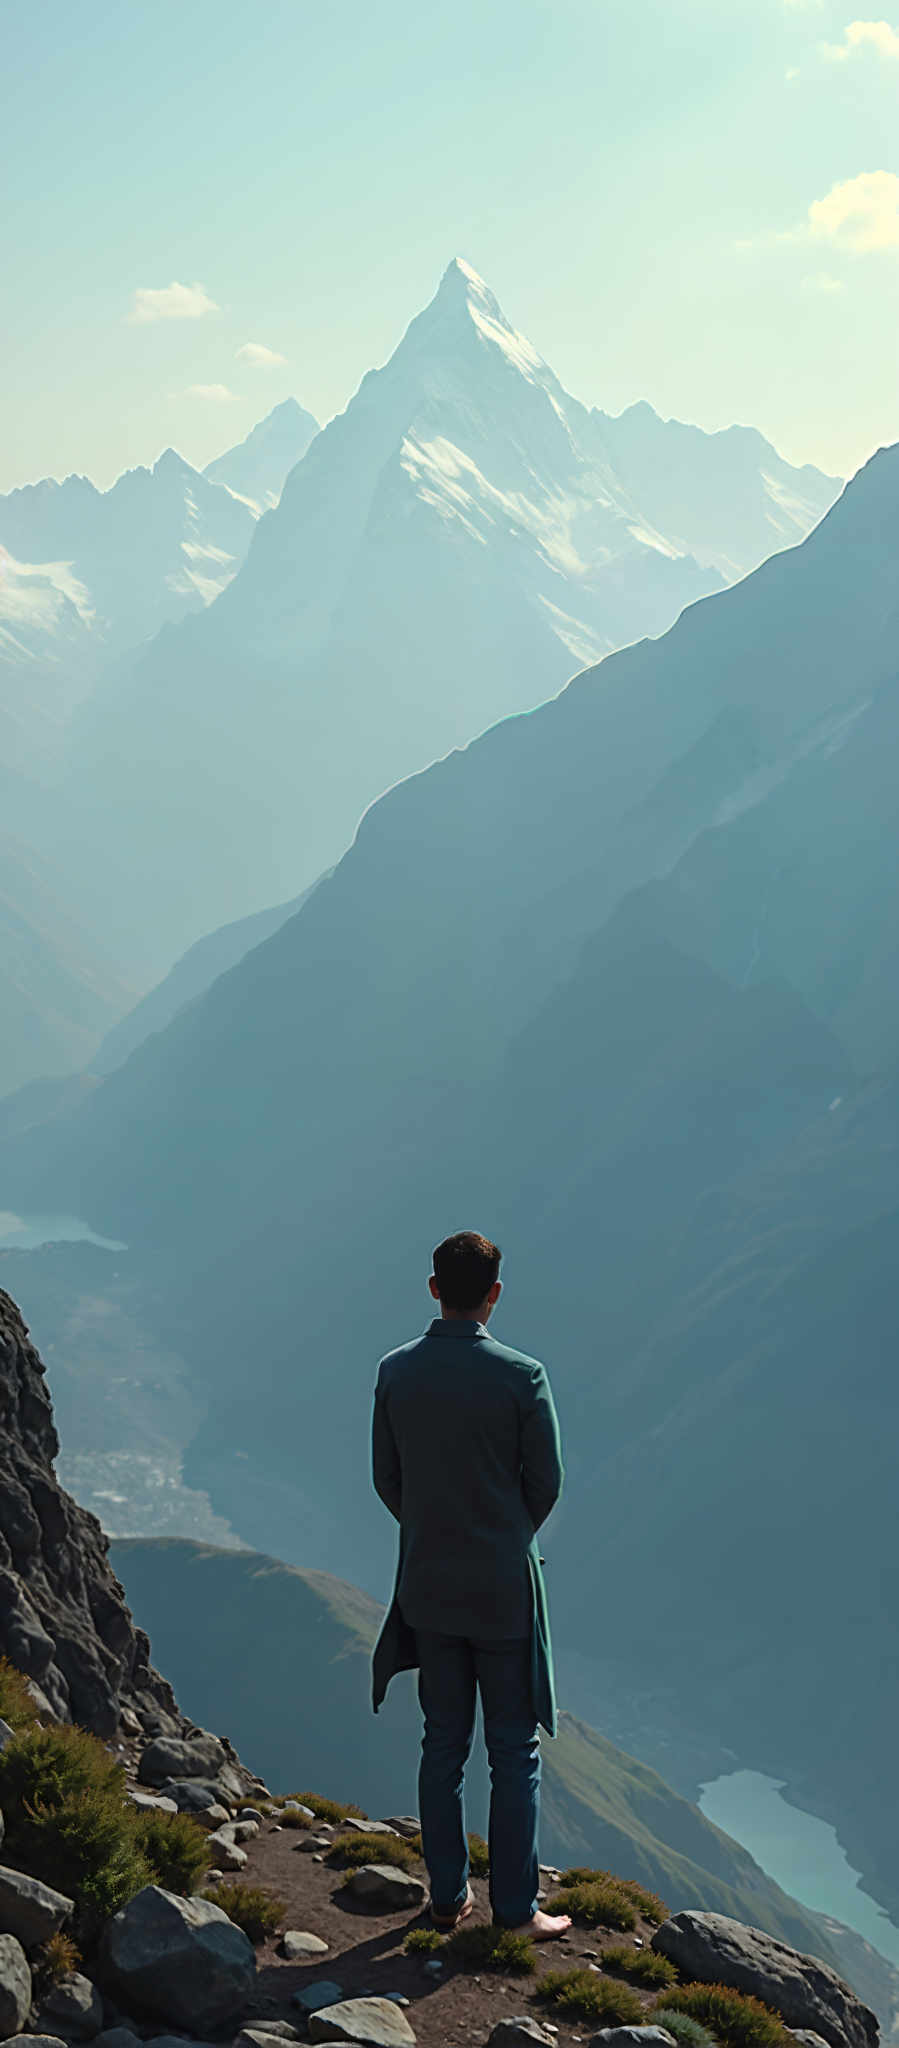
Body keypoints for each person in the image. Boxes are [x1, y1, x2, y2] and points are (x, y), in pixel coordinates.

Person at [371, 1229, 570, 1939]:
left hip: (428, 1582)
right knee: (513, 1752)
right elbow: (544, 1483)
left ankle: (447, 1897)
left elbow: (386, 1478)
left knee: (441, 1744)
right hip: (501, 1591)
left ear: (433, 1288)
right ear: (494, 1293)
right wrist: (504, 1535)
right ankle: (515, 1911)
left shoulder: (396, 1370)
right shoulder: (523, 1376)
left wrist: (431, 1528)